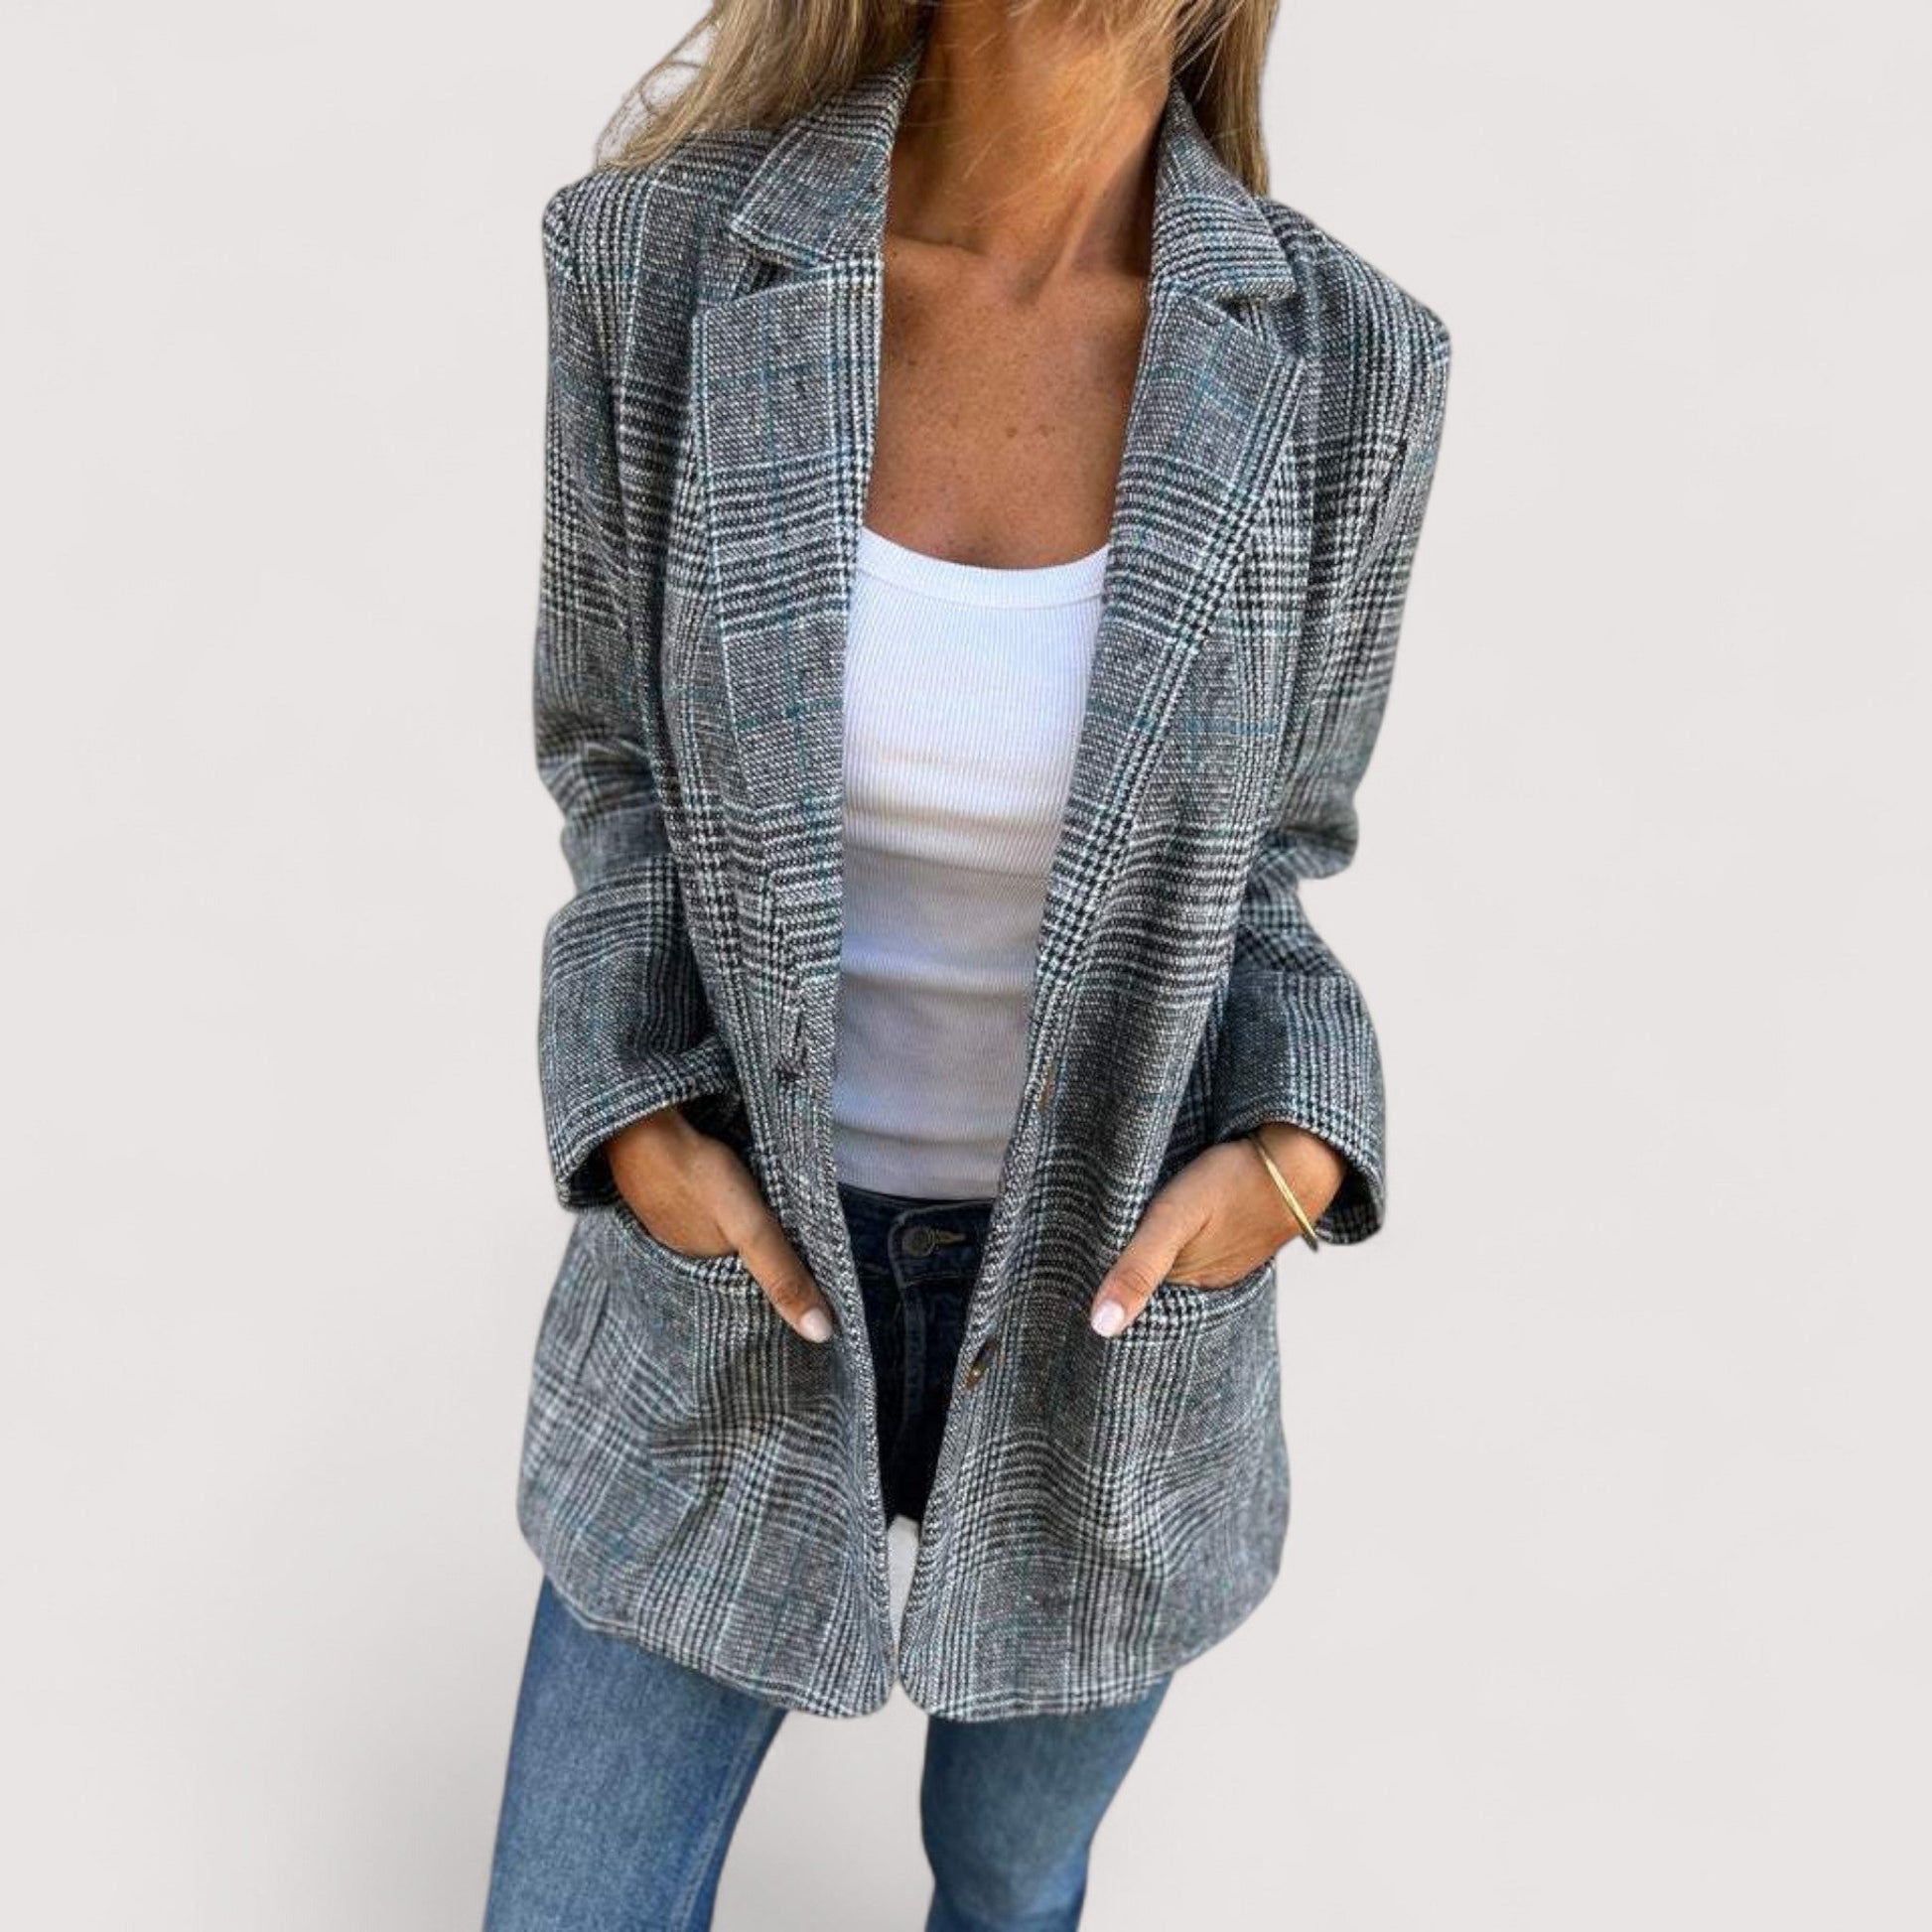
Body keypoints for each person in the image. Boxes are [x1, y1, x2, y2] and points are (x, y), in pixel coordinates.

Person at [484, 1, 1451, 1924]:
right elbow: (612, 765)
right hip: (733, 1268)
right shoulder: (656, 262)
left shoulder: (1354, 360)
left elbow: (1275, 858)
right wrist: (637, 1123)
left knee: (1010, 1884)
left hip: (1114, 1304)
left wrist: (1297, 1154)